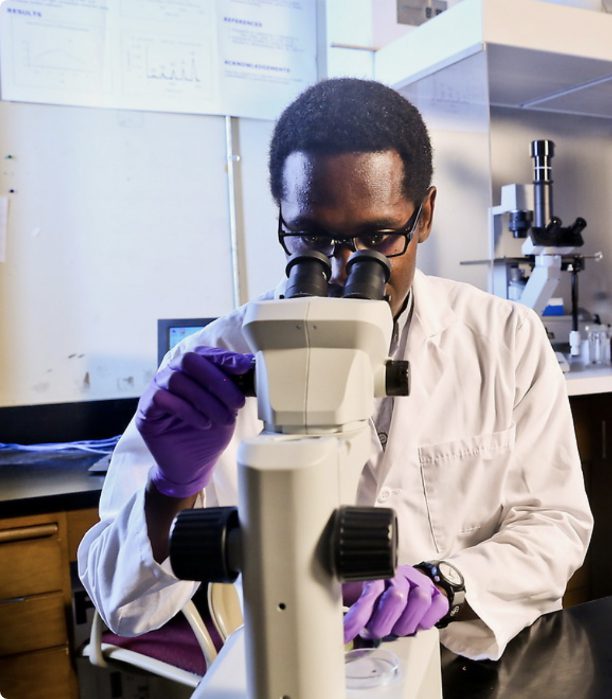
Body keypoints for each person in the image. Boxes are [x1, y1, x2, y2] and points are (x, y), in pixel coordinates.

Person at [78, 78, 593, 661]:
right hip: (292, 665)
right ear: (282, 218)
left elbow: (557, 524)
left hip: (460, 661)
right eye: (313, 239)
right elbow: (119, 601)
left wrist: (448, 583)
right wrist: (167, 495)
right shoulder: (205, 361)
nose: (348, 270)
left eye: (376, 238)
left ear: (423, 215)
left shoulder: (505, 339)